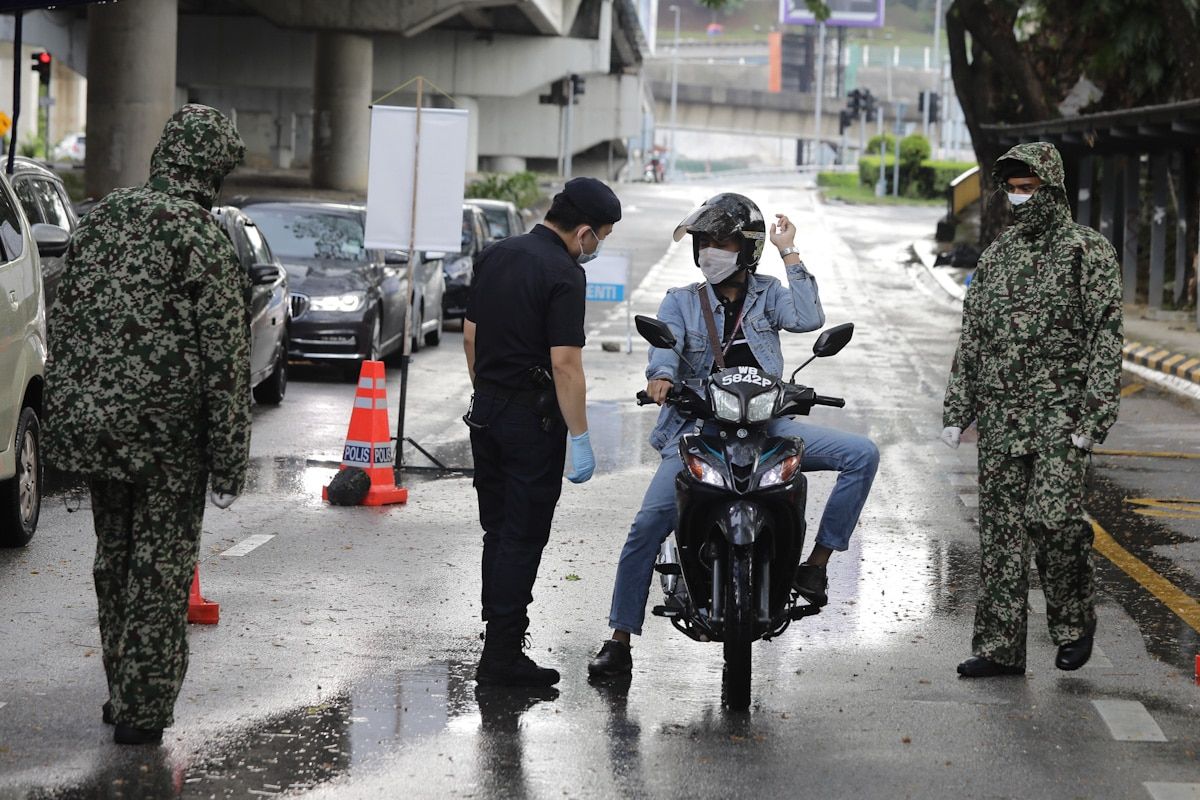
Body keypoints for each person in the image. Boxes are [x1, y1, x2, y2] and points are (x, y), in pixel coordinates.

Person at [587, 193, 880, 677]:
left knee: (862, 454)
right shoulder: (682, 300)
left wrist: (790, 251)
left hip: (768, 427)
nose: (710, 252)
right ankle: (619, 639)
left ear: (747, 249)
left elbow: (809, 319)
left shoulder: (770, 294)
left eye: (721, 242)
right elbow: (665, 348)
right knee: (646, 527)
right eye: (704, 242)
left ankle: (815, 564)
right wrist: (661, 378)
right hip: (698, 431)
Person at [43, 104, 250, 744]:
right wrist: (230, 457)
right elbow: (225, 360)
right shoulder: (201, 238)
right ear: (212, 169)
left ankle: (122, 689)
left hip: (97, 429)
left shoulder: (102, 218)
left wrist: (69, 415)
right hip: (168, 443)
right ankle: (142, 709)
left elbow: (64, 318)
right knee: (160, 570)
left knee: (115, 560)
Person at [941, 141, 1123, 678]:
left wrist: (1095, 415)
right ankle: (1000, 648)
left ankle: (1074, 620)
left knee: (1054, 519)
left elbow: (1106, 337)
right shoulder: (997, 255)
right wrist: (958, 408)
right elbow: (974, 336)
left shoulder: (1087, 251)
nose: (1020, 197)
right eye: (1014, 189)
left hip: (1061, 420)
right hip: (1002, 418)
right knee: (1001, 536)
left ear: (1053, 187)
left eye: (1029, 188)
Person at [464, 177, 622, 687]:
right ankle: (502, 657)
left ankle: (498, 643)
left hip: (486, 410)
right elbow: (565, 365)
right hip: (531, 421)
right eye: (601, 237)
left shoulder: (496, 254)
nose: (597, 247)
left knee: (497, 531)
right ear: (583, 232)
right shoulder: (564, 273)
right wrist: (580, 435)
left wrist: (489, 390)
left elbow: (471, 335)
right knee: (523, 535)